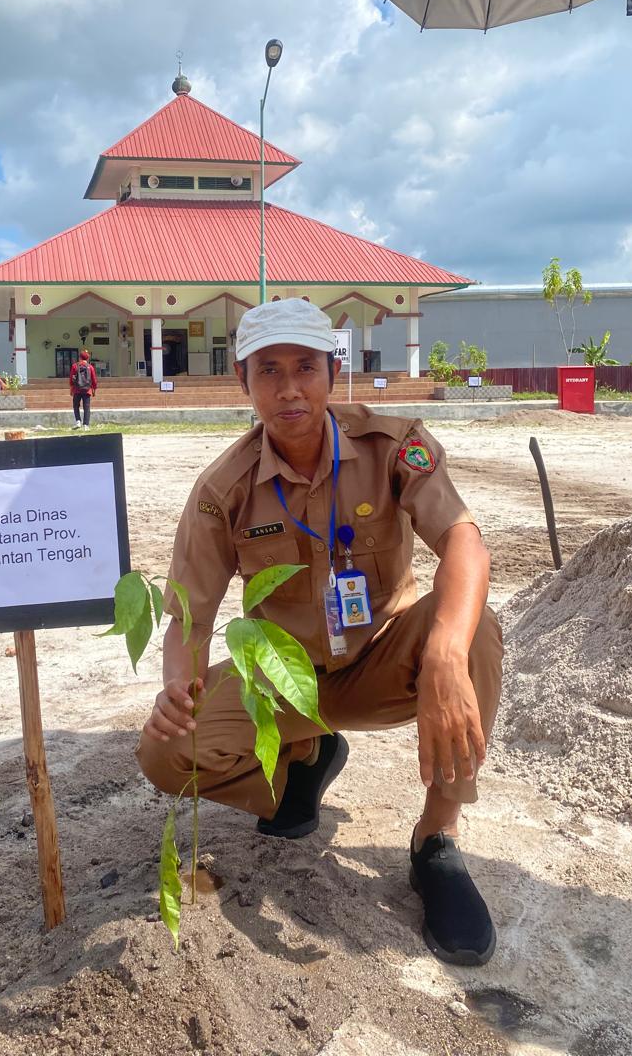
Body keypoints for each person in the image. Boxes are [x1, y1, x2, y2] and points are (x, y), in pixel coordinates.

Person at [136, 299, 503, 968]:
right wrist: (176, 685)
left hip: (383, 663)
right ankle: (305, 758)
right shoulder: (224, 488)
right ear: (244, 382)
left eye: (305, 367)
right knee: (166, 753)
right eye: (268, 370)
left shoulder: (391, 445)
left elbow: (464, 542)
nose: (288, 388)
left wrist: (445, 654)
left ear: (333, 373)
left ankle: (436, 841)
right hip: (285, 683)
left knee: (475, 630)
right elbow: (190, 612)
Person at [69, 349, 97, 431]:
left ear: (80, 357)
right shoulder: (90, 367)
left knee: (76, 406)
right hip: (87, 390)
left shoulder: (75, 366)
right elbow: (94, 380)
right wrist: (94, 390)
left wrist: (71, 389)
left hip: (77, 389)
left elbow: (71, 379)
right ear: (87, 358)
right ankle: (86, 425)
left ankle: (78, 421)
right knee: (86, 407)